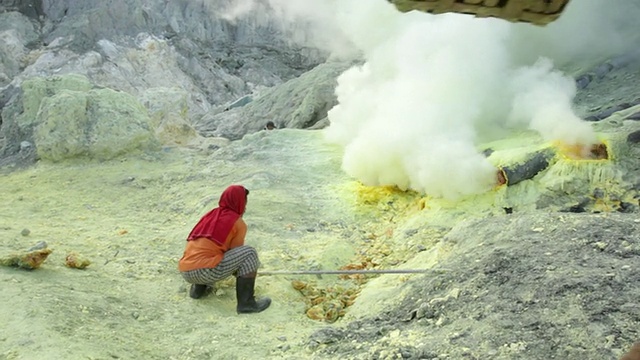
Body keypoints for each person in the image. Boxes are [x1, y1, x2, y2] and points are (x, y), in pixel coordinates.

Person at [178, 185, 271, 314]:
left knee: (208, 252)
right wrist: (248, 272)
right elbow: (236, 255)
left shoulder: (209, 215)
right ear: (239, 202)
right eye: (244, 203)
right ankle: (247, 304)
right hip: (204, 271)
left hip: (185, 271)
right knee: (249, 253)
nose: (245, 207)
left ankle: (198, 290)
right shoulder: (238, 223)